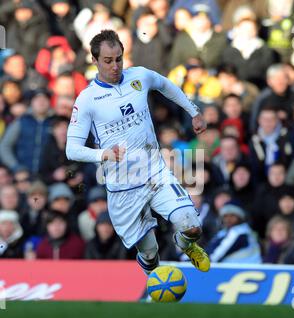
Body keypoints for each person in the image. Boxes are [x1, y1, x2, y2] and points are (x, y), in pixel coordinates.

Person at [66, 29, 210, 274]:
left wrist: (193, 111)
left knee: (192, 226)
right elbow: (72, 150)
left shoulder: (140, 76)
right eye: (108, 61)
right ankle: (153, 281)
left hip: (155, 172)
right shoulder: (87, 99)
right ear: (95, 61)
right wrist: (103, 154)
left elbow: (167, 86)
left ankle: (184, 243)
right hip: (123, 185)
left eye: (119, 58)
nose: (115, 66)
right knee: (150, 252)